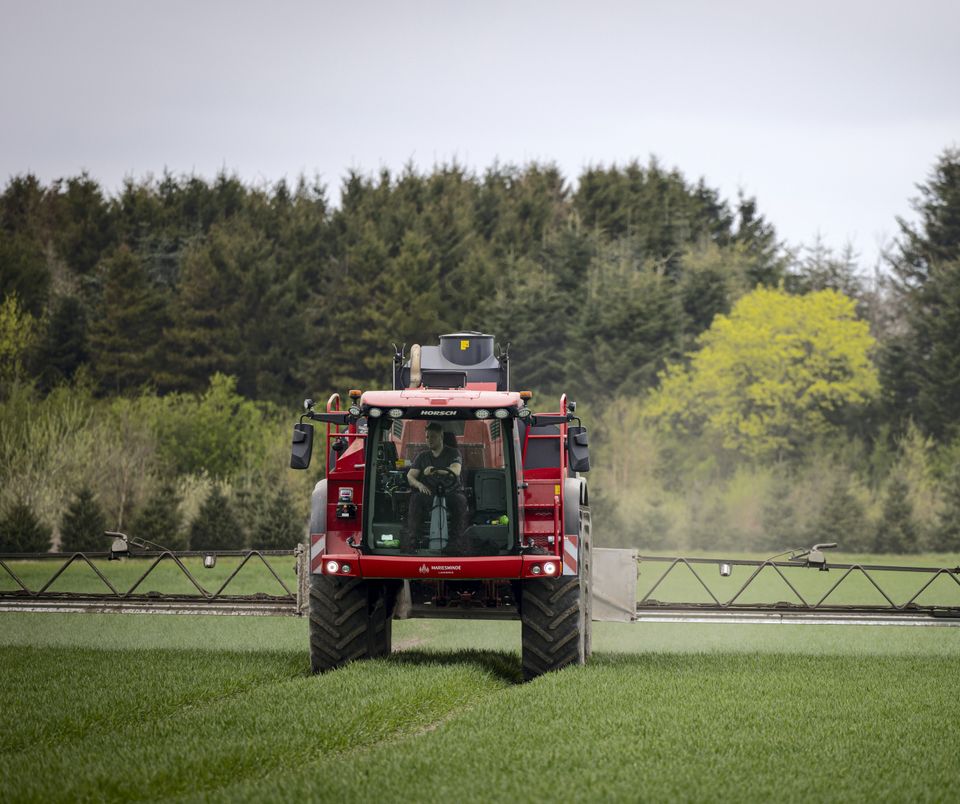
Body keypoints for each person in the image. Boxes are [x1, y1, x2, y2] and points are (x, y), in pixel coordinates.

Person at [403, 422, 469, 552]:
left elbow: (456, 471)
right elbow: (410, 476)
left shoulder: (453, 453)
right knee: (416, 499)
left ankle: (456, 544)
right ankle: (414, 541)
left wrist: (435, 470)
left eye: (433, 436)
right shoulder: (422, 456)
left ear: (441, 437)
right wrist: (419, 484)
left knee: (460, 501)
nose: (429, 440)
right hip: (430, 492)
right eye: (427, 437)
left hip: (451, 492)